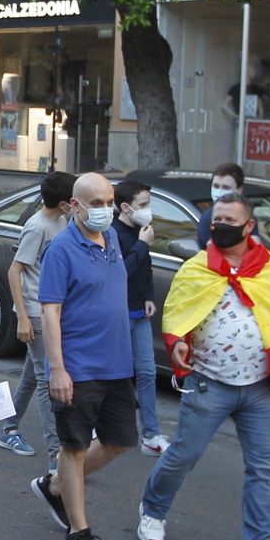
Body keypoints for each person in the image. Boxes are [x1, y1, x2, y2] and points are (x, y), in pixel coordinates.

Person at [138, 193, 270, 540]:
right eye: (216, 220)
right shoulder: (198, 268)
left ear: (249, 227)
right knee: (184, 455)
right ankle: (153, 508)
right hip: (210, 383)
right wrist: (177, 343)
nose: (220, 226)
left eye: (230, 220)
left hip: (260, 389)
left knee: (264, 467)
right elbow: (178, 314)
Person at [32, 172, 136, 540]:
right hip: (78, 367)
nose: (104, 209)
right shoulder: (61, 249)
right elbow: (50, 312)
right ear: (73, 207)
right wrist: (57, 370)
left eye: (109, 201)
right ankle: (78, 532)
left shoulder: (110, 238)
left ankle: (55, 485)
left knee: (120, 440)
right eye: (95, 203)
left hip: (116, 365)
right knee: (73, 449)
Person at [0, 171, 73, 463]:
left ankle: (8, 428)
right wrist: (23, 318)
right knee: (46, 380)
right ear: (65, 203)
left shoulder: (61, 221)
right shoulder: (37, 227)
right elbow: (15, 270)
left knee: (32, 376)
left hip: (51, 309)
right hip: (36, 311)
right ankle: (57, 456)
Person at [114, 179, 163, 455]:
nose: (148, 210)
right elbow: (122, 271)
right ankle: (102, 426)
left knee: (147, 372)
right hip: (118, 314)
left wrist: (148, 297)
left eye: (149, 203)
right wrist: (143, 245)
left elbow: (146, 268)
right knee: (115, 374)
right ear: (125, 207)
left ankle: (151, 433)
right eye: (143, 204)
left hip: (139, 312)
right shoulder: (114, 233)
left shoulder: (143, 232)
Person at [197, 163, 244, 248]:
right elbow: (218, 251)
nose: (219, 192)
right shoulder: (207, 219)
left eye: (226, 187)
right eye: (216, 186)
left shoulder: (246, 217)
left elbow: (255, 245)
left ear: (238, 191)